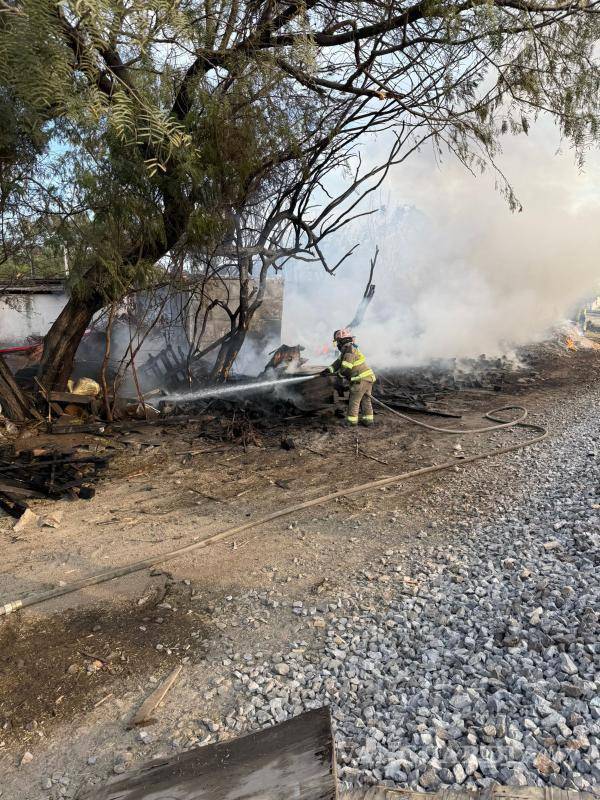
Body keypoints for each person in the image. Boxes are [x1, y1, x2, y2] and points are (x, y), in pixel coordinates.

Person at [321, 328, 376, 426]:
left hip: (360, 379)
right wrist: (328, 370)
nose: (337, 345)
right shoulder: (348, 348)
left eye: (337, 341)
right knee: (366, 400)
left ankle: (351, 422)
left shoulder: (349, 348)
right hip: (368, 378)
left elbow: (346, 366)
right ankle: (368, 421)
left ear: (341, 340)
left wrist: (340, 375)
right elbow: (338, 363)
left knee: (354, 400)